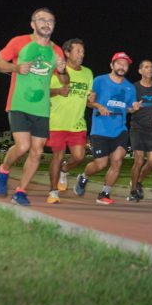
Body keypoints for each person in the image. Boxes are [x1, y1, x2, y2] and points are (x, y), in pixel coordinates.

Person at [0, 8, 68, 206]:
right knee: (23, 146)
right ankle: (3, 170)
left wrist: (62, 70)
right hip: (18, 103)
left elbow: (64, 81)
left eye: (50, 20)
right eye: (41, 19)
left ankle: (21, 191)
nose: (46, 23)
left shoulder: (57, 51)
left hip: (41, 107)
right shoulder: (19, 42)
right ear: (33, 24)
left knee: (37, 151)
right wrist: (16, 68)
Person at [73, 52, 140, 205]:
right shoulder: (99, 81)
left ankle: (104, 193)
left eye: (125, 64)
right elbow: (89, 102)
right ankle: (83, 176)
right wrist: (99, 106)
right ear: (112, 65)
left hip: (120, 129)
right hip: (100, 129)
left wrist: (134, 108)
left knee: (117, 161)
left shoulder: (130, 87)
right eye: (119, 63)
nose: (122, 66)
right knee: (101, 164)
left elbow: (127, 108)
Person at [45, 38, 93, 204]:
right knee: (57, 157)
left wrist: (93, 99)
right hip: (57, 122)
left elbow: (88, 98)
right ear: (67, 53)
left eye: (83, 51)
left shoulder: (88, 73)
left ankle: (64, 171)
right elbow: (44, 92)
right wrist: (58, 90)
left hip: (77, 123)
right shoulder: (57, 70)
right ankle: (53, 192)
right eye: (78, 51)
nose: (81, 54)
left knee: (79, 156)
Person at [128, 59, 152, 202]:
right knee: (139, 160)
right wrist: (133, 108)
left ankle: (137, 182)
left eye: (151, 67)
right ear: (140, 71)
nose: (150, 69)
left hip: (150, 129)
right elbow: (129, 108)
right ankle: (132, 191)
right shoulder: (133, 88)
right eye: (146, 67)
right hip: (137, 127)